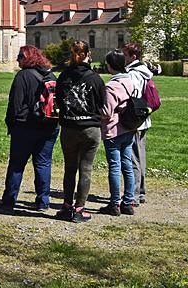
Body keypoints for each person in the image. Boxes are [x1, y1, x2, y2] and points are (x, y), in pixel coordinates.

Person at [0, 45, 59, 212]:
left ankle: (9, 199)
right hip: (49, 126)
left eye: (20, 56)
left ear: (27, 58)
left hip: (25, 126)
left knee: (17, 164)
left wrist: (11, 124)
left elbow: (15, 105)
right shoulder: (50, 74)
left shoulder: (23, 76)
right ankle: (43, 201)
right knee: (43, 163)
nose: (17, 59)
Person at [53, 40, 105, 222]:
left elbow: (58, 100)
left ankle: (67, 206)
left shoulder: (63, 76)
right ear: (88, 55)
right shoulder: (94, 78)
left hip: (68, 127)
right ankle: (80, 208)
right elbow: (101, 103)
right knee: (86, 169)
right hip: (90, 128)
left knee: (69, 168)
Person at [99, 50, 137, 216]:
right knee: (127, 165)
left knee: (115, 166)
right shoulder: (130, 81)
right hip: (129, 127)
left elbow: (106, 112)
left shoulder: (111, 86)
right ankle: (128, 202)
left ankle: (114, 203)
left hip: (113, 130)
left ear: (110, 66)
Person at [123, 42, 153, 205]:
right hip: (143, 119)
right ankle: (140, 191)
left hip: (134, 119)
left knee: (133, 157)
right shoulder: (145, 72)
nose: (123, 58)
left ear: (133, 56)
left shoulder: (134, 74)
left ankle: (133, 194)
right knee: (140, 156)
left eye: (126, 55)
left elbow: (132, 93)